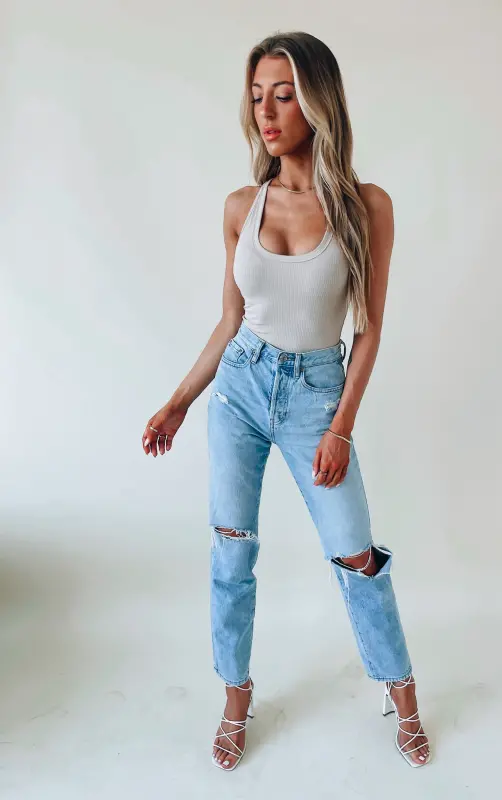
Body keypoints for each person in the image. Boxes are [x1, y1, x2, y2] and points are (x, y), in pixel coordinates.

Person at [141, 31, 431, 771]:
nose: (266, 112)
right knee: (231, 551)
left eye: (284, 95)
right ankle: (236, 697)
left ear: (318, 102)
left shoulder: (366, 206)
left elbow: (369, 329)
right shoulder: (241, 205)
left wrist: (341, 428)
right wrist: (179, 401)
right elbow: (231, 320)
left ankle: (402, 693)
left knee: (357, 554)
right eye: (257, 97)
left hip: (316, 395)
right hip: (239, 387)